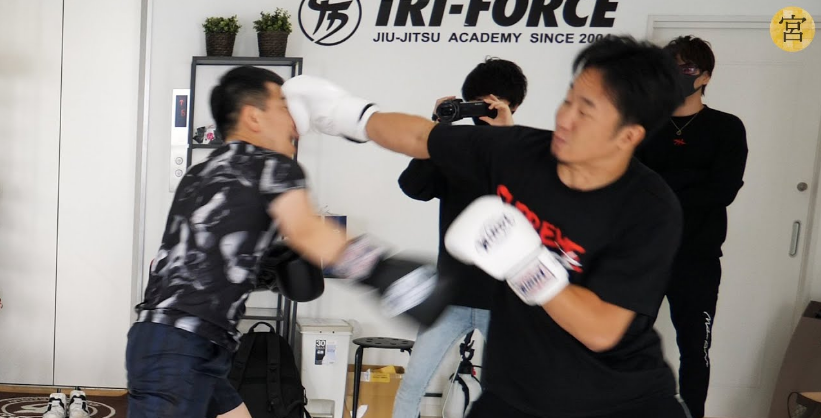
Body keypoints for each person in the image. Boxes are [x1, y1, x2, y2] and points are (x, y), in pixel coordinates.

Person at [283, 34, 691, 418]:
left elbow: (601, 329)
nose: (565, 119)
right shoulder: (520, 152)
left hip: (620, 403)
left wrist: (526, 264)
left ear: (628, 135)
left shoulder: (649, 209)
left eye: (585, 111)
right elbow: (421, 137)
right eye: (568, 101)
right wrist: (345, 113)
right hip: (514, 394)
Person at [126, 66, 454, 418]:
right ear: (253, 117)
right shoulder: (271, 166)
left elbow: (188, 258)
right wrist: (383, 273)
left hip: (177, 340)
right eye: (283, 107)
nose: (296, 120)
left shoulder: (199, 173)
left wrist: (259, 265)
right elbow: (309, 232)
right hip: (183, 349)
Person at [394, 57, 528, 418]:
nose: (483, 113)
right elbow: (413, 186)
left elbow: (532, 201)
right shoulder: (454, 148)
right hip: (451, 294)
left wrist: (508, 138)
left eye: (492, 105)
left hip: (503, 300)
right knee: (412, 385)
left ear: (513, 106)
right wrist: (436, 130)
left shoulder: (527, 151)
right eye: (477, 103)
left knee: (515, 393)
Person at [636, 35, 748, 418]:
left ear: (706, 76)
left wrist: (662, 187)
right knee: (624, 344)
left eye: (687, 68)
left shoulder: (726, 128)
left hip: (697, 258)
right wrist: (690, 181)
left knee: (695, 351)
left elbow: (723, 190)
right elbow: (630, 186)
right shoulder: (645, 126)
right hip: (644, 257)